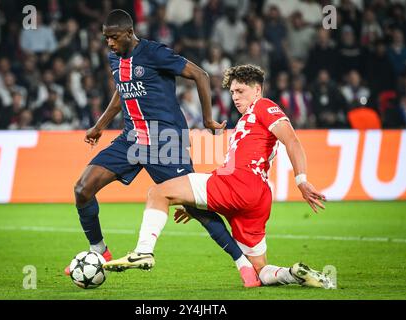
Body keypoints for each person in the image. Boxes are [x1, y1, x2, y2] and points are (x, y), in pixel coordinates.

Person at [64, 10, 260, 288]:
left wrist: (206, 119)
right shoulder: (114, 58)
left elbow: (201, 75)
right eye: (106, 38)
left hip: (166, 141)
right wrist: (99, 125)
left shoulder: (155, 53)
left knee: (195, 207)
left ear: (129, 33)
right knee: (82, 189)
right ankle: (99, 250)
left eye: (114, 37)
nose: (109, 43)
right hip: (131, 140)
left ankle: (242, 263)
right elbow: (122, 91)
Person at [104, 64, 335, 289]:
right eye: (232, 91)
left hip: (239, 185)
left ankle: (144, 251)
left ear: (257, 90)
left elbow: (291, 140)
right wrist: (191, 200)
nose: (235, 96)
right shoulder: (245, 122)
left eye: (241, 91)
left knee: (158, 192)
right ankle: (292, 274)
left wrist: (301, 180)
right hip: (256, 199)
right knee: (259, 270)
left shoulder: (264, 106)